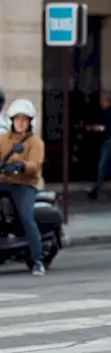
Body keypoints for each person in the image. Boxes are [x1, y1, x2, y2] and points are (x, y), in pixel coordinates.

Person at [0, 99, 45, 276]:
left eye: (24, 119)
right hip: (4, 181)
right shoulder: (4, 140)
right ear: (11, 121)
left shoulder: (35, 142)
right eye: (17, 119)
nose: (20, 122)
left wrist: (21, 166)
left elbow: (35, 164)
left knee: (27, 217)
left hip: (24, 184)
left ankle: (38, 260)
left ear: (30, 122)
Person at [87, 90, 111, 199]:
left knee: (102, 165)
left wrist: (100, 128)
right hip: (110, 140)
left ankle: (96, 189)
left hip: (110, 140)